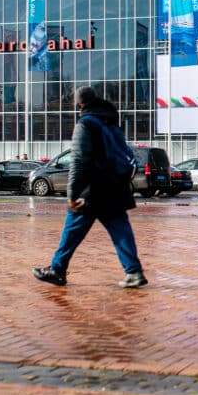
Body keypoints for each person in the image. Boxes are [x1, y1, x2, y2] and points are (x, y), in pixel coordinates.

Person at [32, 86, 147, 289]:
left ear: (79, 104)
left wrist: (72, 194)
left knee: (72, 229)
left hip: (93, 190)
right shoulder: (111, 122)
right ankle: (134, 272)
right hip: (116, 186)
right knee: (120, 230)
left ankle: (57, 270)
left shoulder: (85, 124)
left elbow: (78, 161)